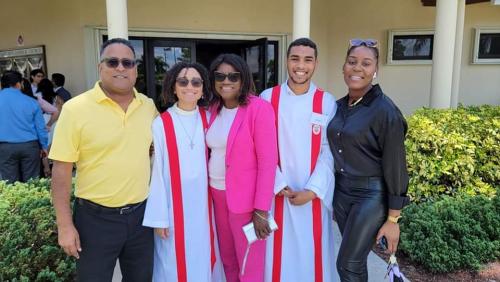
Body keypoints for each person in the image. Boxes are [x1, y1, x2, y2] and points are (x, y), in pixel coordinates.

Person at [50, 38, 157, 281]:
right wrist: (65, 226)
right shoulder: (75, 109)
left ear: (135, 70)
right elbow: (61, 171)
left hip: (141, 218)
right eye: (113, 62)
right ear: (101, 67)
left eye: (127, 62)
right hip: (95, 221)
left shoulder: (148, 106)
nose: (121, 68)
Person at [327, 39, 410, 282]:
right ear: (343, 67)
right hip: (342, 194)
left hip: (370, 195)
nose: (357, 68)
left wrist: (393, 219)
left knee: (347, 264)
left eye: (366, 63)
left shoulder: (385, 111)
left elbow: (396, 166)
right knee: (356, 262)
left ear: (375, 70)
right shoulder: (340, 106)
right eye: (352, 62)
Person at [260, 38, 337, 282]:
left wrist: (313, 190)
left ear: (316, 64)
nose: (300, 65)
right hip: (277, 195)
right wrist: (277, 182)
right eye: (295, 58)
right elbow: (260, 147)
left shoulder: (326, 102)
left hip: (312, 198)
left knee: (312, 258)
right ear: (286, 61)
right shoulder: (266, 98)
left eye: (307, 59)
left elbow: (330, 150)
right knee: (277, 261)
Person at [143, 62, 223, 281]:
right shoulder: (161, 123)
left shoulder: (210, 118)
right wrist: (160, 218)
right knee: (172, 262)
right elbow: (156, 172)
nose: (190, 86)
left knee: (204, 257)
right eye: (183, 81)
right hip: (173, 208)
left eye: (196, 82)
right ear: (173, 87)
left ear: (204, 88)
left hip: (207, 209)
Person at [207, 53, 277, 282]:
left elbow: (268, 163)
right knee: (228, 259)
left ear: (243, 79)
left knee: (249, 264)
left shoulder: (259, 109)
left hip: (246, 203)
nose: (226, 81)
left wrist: (261, 209)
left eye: (232, 76)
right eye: (220, 76)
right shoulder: (213, 109)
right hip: (216, 196)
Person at [0, 70, 48, 183]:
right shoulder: (31, 102)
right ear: (19, 84)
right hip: (30, 146)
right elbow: (40, 127)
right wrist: (44, 146)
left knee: (9, 183)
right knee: (31, 182)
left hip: (4, 147)